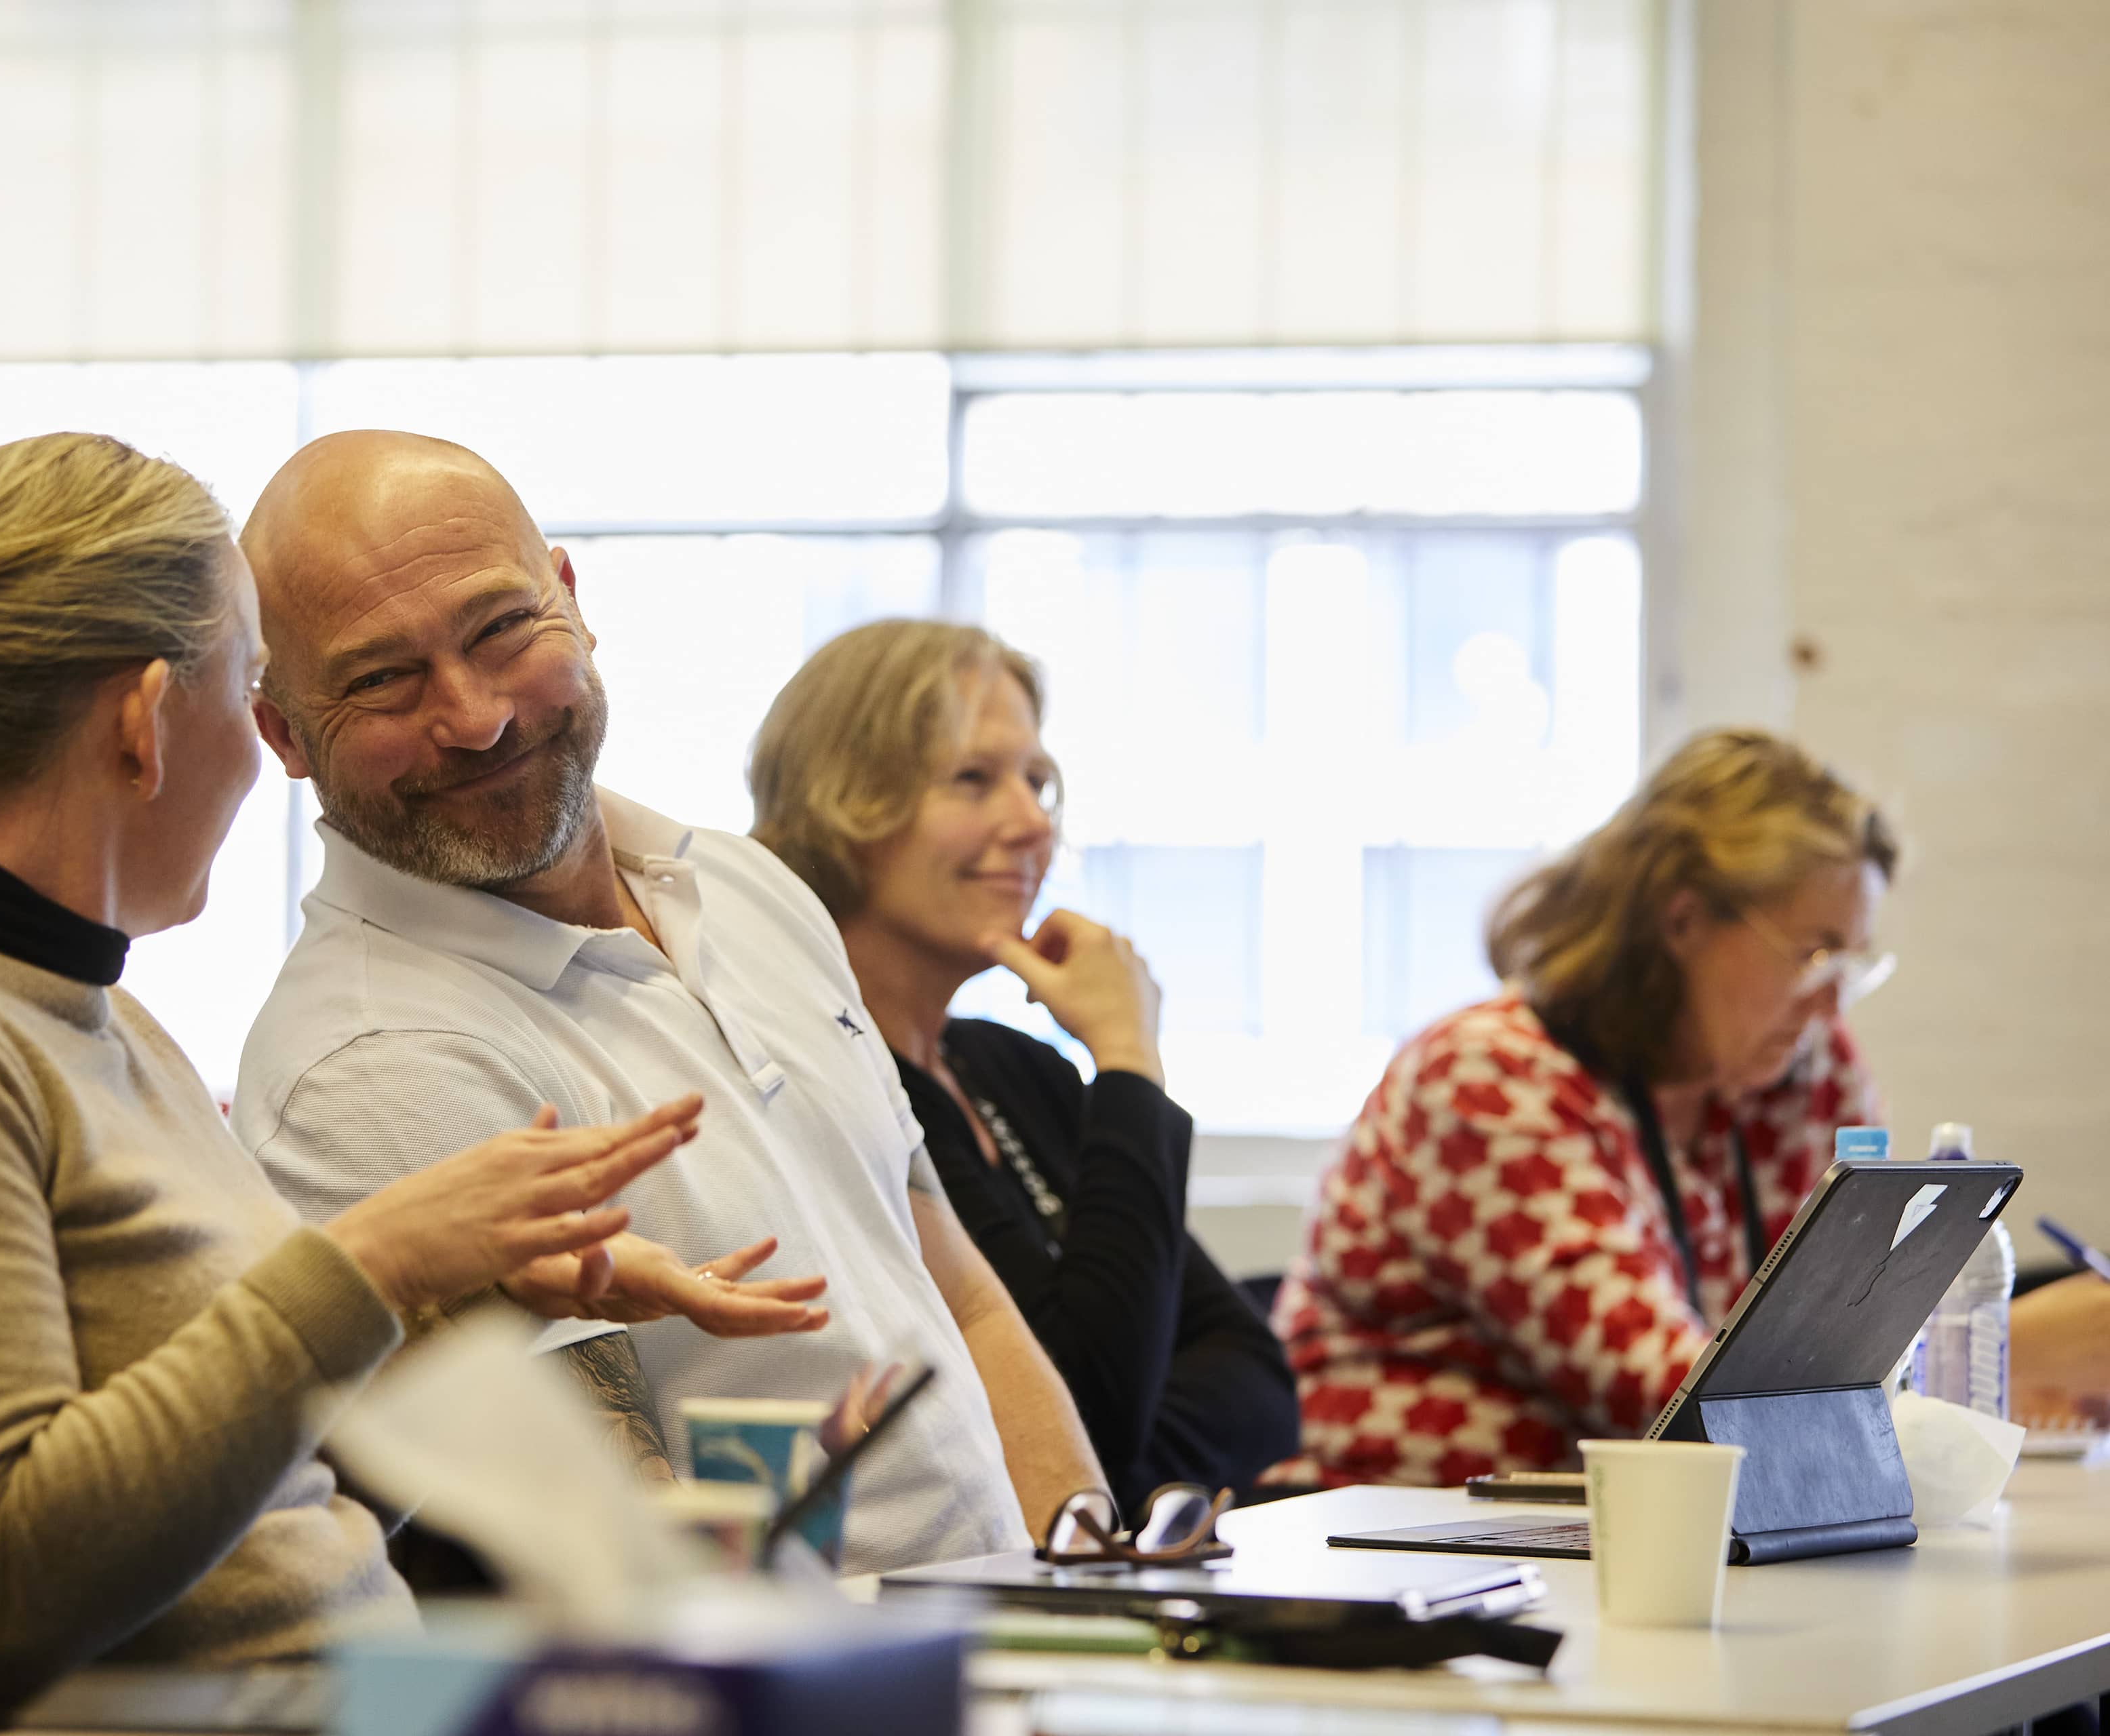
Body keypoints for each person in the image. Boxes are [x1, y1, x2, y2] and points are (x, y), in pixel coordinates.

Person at [0, 433, 757, 1736]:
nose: (259, 757)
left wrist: (464, 1299)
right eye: (246, 694)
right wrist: (373, 1268)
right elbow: (4, 1588)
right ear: (142, 720)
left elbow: (250, 1500)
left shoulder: (82, 1012)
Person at [233, 431, 1106, 1575]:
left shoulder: (741, 886)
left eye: (501, 629)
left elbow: (957, 1295)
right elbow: (622, 1555)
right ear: (285, 735)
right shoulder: (372, 1063)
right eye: (381, 679)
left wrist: (1090, 1593)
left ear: (573, 601)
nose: (477, 715)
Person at [746, 618, 1300, 1509]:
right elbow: (1091, 1420)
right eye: (974, 779)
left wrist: (1117, 1472)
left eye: (1039, 780)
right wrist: (1126, 1057)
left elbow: (1261, 1390)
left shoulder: (1014, 1069)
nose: (1032, 821)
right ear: (841, 805)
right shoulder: (827, 1083)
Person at [1272, 728, 1895, 1485]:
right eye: (1815, 954)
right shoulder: (1486, 1078)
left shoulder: (1803, 1067)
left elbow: (1840, 1346)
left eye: (1854, 963)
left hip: (1627, 1532)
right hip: (1414, 1544)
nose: (1832, 1004)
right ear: (1683, 921)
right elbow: (1670, 1401)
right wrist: (1985, 1367)